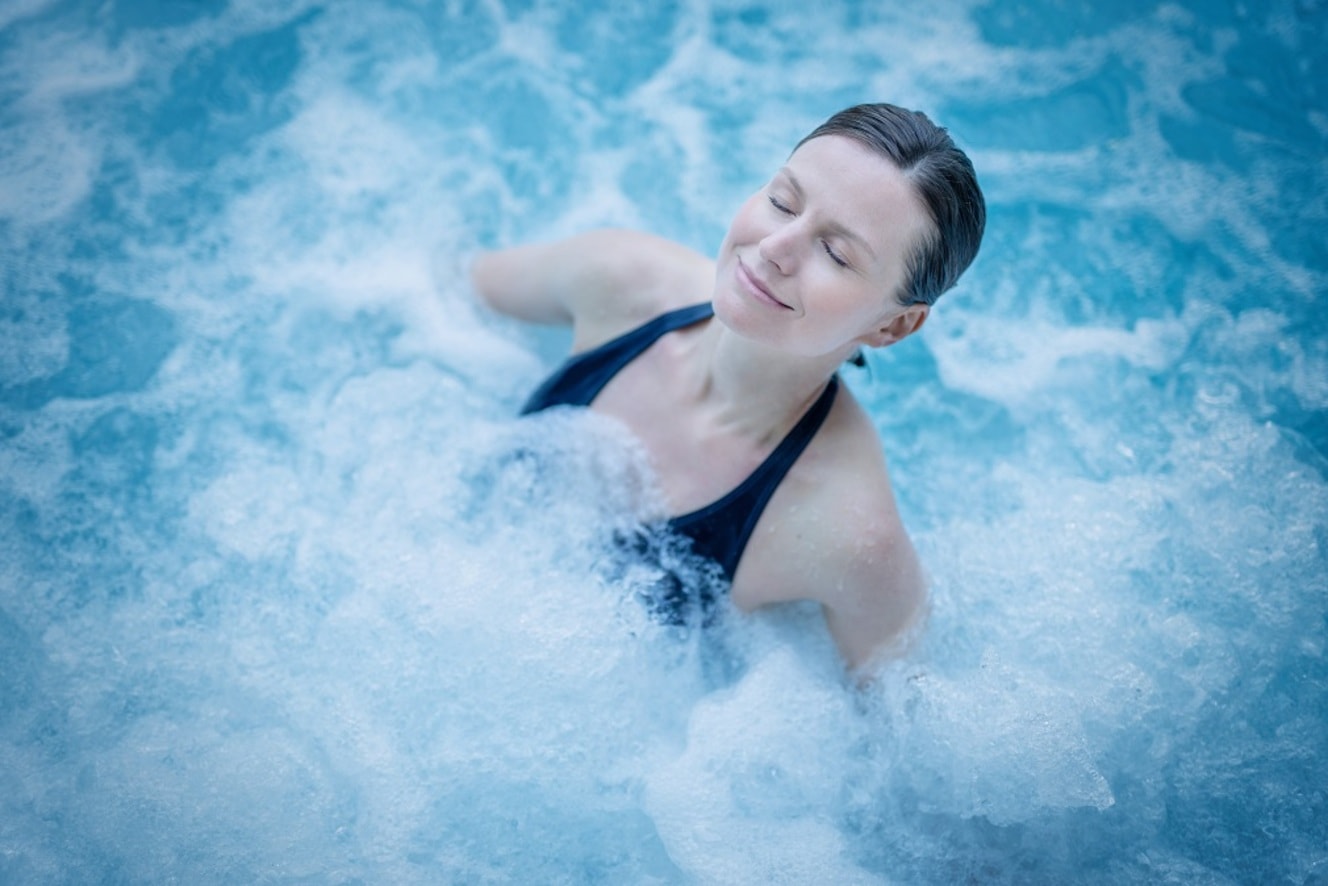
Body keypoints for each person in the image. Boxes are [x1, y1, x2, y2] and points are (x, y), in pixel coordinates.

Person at [471, 103, 985, 672]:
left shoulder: (848, 536)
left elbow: (893, 730)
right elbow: (440, 296)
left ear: (893, 325)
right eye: (782, 201)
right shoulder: (620, 280)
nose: (774, 248)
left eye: (836, 253)